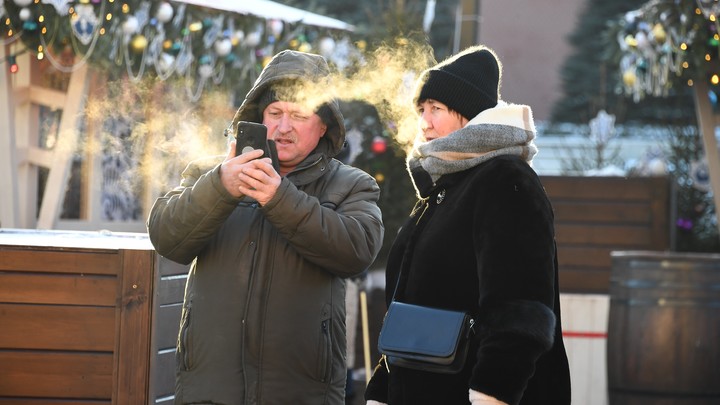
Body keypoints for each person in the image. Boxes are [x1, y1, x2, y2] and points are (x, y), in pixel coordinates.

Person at [147, 49, 385, 405]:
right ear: (259, 118)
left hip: (301, 394)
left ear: (323, 125)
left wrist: (279, 197)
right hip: (210, 391)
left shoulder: (353, 184)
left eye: (299, 115)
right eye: (275, 113)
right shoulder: (212, 173)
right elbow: (166, 237)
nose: (283, 126)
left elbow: (357, 251)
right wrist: (220, 187)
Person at [364, 45, 571, 405]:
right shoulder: (442, 189)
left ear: (469, 115)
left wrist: (492, 393)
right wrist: (382, 390)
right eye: (421, 110)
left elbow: (520, 307)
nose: (424, 122)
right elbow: (408, 309)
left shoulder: (505, 180)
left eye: (437, 109)